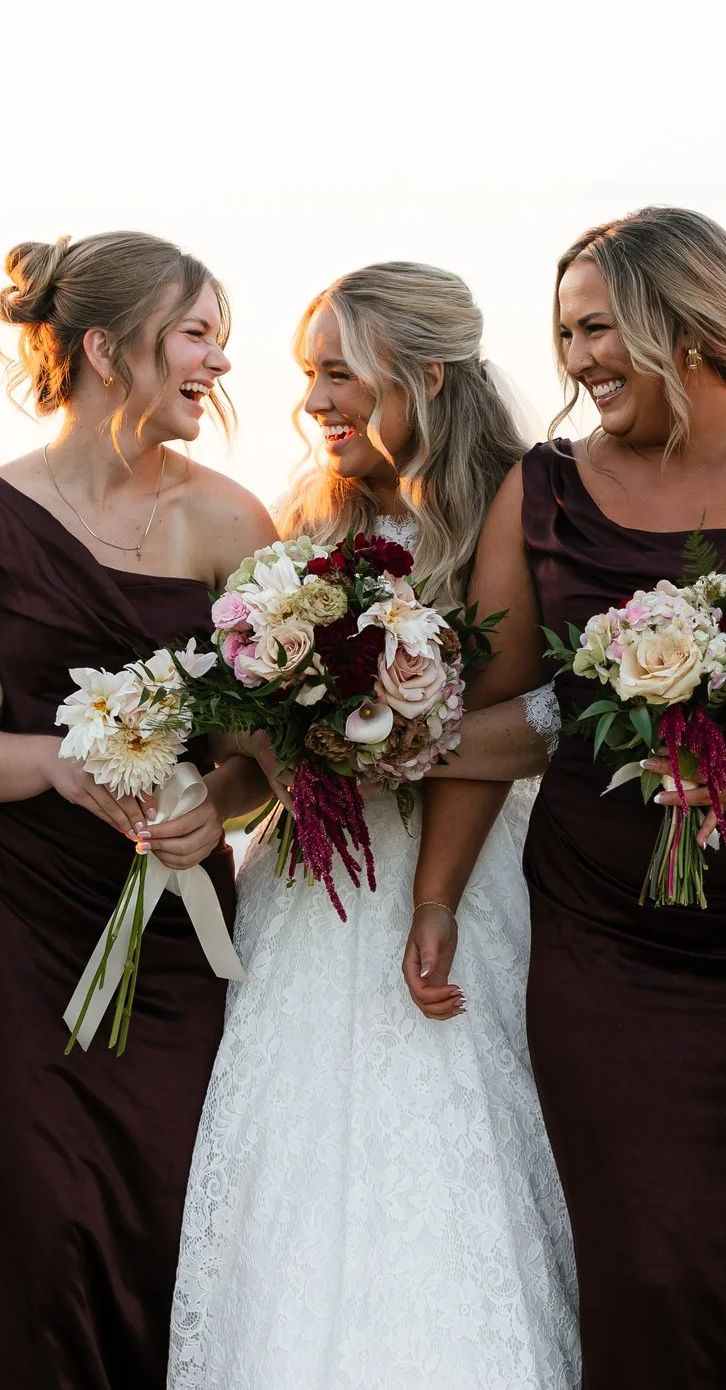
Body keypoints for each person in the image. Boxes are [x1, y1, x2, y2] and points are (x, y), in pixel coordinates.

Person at [424, 206, 726, 1387]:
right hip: (611, 939)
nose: (578, 358)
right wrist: (434, 882)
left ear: (682, 321)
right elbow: (498, 716)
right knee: (645, 1264)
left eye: (599, 326)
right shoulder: (539, 488)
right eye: (567, 333)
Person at [169, 263, 577, 1388]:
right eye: (308, 375)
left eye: (338, 372)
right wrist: (216, 797)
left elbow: (527, 717)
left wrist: (407, 773)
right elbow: (262, 760)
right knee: (291, 1182)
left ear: (425, 375)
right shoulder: (306, 522)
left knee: (448, 1176)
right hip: (306, 896)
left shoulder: (518, 507)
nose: (314, 403)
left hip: (460, 877)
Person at [0, 232, 274, 1388]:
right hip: (26, 931)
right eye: (197, 332)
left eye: (221, 334)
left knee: (172, 1213)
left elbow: (264, 749)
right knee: (49, 1223)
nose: (219, 359)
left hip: (178, 938)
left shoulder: (232, 522)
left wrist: (219, 806)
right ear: (109, 348)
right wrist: (58, 762)